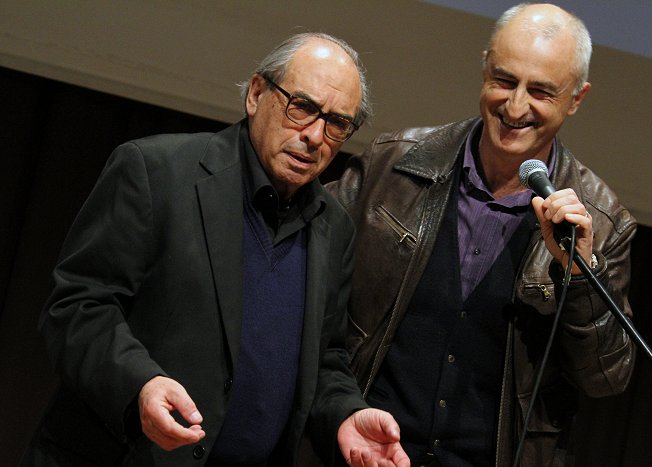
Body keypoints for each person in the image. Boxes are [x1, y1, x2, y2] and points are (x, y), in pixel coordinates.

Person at [23, 32, 409, 467]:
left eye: (337, 123)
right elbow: (77, 307)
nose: (316, 136)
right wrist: (139, 385)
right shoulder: (155, 172)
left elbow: (323, 363)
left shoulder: (334, 227)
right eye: (301, 107)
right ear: (257, 94)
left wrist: (346, 415)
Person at [327, 4, 636, 466]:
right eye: (505, 81)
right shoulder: (392, 166)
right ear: (485, 67)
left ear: (576, 99)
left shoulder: (602, 221)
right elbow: (307, 280)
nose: (515, 107)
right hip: (364, 452)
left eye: (541, 91)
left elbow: (605, 378)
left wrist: (578, 274)